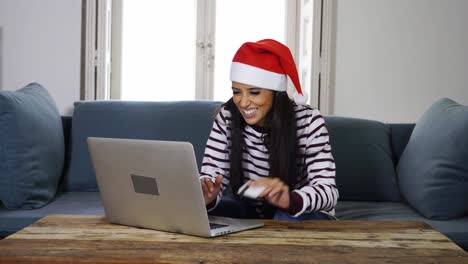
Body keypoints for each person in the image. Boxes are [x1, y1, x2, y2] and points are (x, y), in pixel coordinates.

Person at [199, 39, 338, 221]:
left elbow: (329, 191)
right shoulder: (227, 116)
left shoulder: (309, 122)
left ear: (276, 92)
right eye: (237, 91)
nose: (243, 102)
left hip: (301, 213)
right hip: (251, 210)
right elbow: (211, 175)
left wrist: (290, 200)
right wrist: (207, 195)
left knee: (283, 217)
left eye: (254, 92)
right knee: (206, 215)